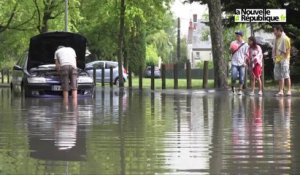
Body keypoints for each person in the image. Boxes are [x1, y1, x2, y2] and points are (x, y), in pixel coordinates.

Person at [272, 25, 291, 96]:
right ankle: (281, 91)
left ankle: (289, 90)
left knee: (286, 75)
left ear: (279, 30)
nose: (274, 32)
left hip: (284, 59)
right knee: (279, 76)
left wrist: (285, 59)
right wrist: (274, 58)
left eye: (275, 31)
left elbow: (288, 49)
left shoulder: (285, 38)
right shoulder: (276, 39)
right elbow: (275, 49)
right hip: (277, 59)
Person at [230, 31, 249, 95]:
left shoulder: (245, 44)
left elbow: (246, 54)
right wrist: (231, 49)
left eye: (238, 36)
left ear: (241, 36)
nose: (237, 37)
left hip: (242, 63)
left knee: (241, 78)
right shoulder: (233, 43)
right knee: (233, 76)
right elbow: (230, 51)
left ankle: (240, 90)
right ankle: (233, 87)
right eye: (236, 35)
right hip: (234, 62)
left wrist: (244, 62)